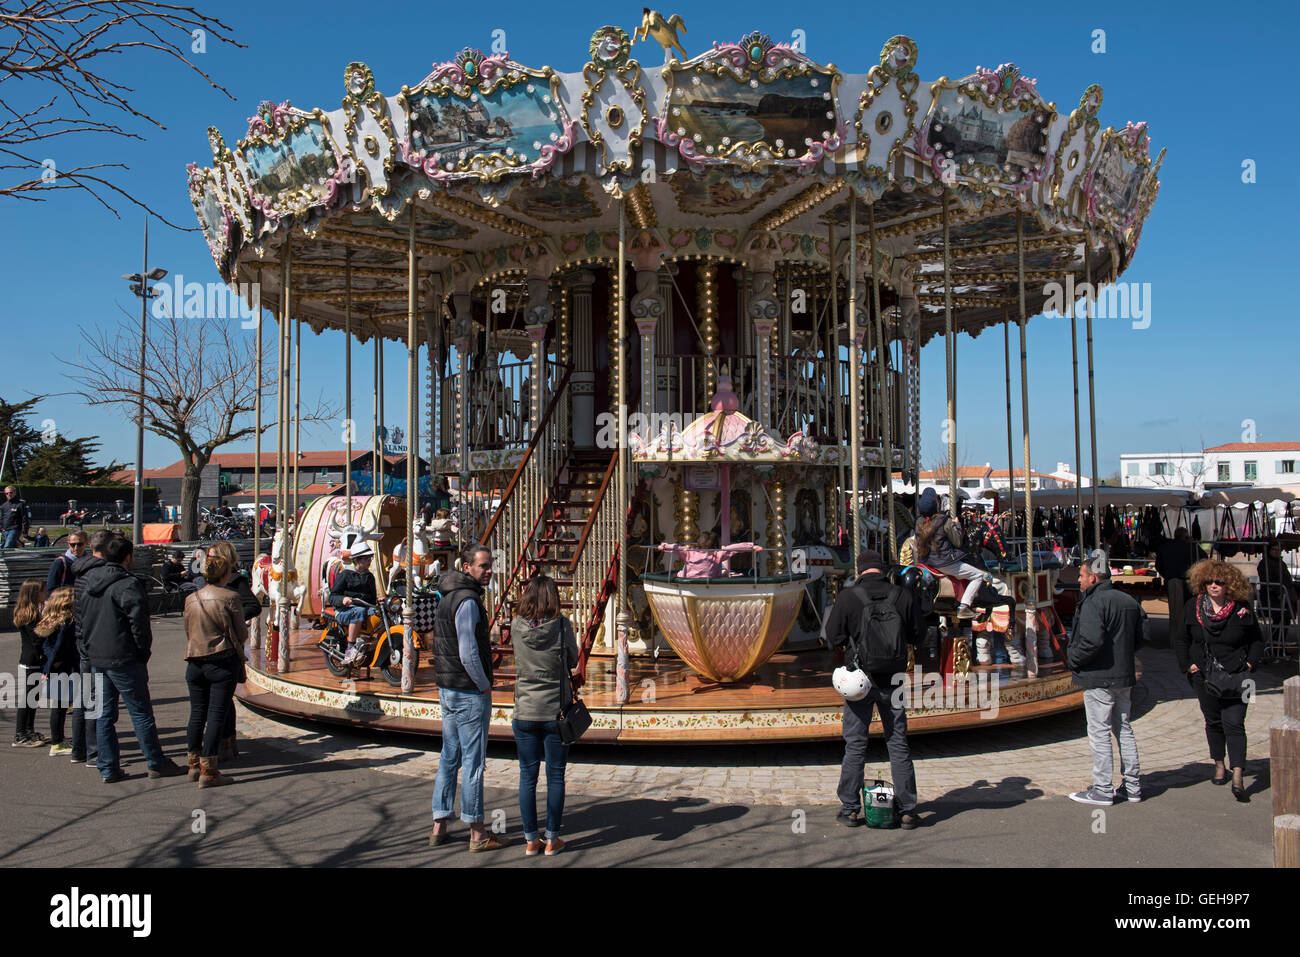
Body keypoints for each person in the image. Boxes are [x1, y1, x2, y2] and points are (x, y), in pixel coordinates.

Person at [825, 549, 923, 830]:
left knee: (856, 743)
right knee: (898, 742)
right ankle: (907, 810)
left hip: (861, 680)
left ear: (860, 569)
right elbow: (918, 633)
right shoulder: (902, 596)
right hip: (894, 678)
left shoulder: (848, 597)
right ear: (882, 569)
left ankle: (850, 808)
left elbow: (834, 636)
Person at [78, 534, 184, 782]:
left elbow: (83, 619)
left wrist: (88, 649)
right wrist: (141, 652)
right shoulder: (127, 584)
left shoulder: (90, 580)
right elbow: (139, 624)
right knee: (140, 712)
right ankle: (155, 760)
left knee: (105, 714)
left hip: (98, 656)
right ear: (127, 558)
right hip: (123, 657)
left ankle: (107, 766)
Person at [429, 544, 501, 852]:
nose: (488, 571)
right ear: (467, 567)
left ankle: (439, 822)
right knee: (472, 761)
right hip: (468, 690)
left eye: (489, 565)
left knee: (450, 756)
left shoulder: (447, 596)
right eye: (483, 566)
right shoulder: (469, 601)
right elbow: (469, 651)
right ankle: (476, 831)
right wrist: (484, 684)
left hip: (448, 687)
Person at [1174, 558, 1264, 801]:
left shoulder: (1241, 607)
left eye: (1220, 582)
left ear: (1229, 585)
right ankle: (1219, 765)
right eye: (1209, 582)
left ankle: (1237, 776)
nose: (1214, 586)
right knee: (1213, 721)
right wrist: (1188, 666)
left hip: (1239, 677)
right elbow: (1181, 639)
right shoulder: (1193, 606)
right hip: (1204, 676)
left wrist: (1249, 664)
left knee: (1235, 723)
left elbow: (1257, 640)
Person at [509, 575, 579, 856]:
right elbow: (573, 660)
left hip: (525, 709)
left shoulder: (516, 626)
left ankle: (529, 839)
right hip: (554, 712)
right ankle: (552, 838)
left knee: (527, 776)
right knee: (556, 776)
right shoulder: (562, 626)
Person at [1065, 554, 1143, 806]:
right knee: (1123, 728)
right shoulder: (1127, 601)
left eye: (1081, 576)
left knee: (1099, 731)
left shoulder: (1094, 603)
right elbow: (1142, 634)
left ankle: (1103, 788)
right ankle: (1132, 785)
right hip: (1122, 673)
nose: (1078, 580)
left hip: (1099, 675)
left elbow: (1090, 641)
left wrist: (1072, 659)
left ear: (1093, 577)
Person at [182, 552, 248, 787]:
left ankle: (192, 763)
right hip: (221, 659)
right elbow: (241, 634)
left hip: (194, 660)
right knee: (216, 714)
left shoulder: (191, 598)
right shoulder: (230, 597)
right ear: (225, 574)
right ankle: (208, 770)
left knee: (197, 713)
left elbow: (188, 629)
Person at [207, 541, 260, 760]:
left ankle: (225, 741)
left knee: (221, 697)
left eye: (212, 557)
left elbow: (253, 606)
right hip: (208, 644)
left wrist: (232, 620)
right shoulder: (205, 582)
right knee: (213, 698)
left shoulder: (236, 582)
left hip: (226, 645)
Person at [69, 529, 113, 767]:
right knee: (95, 698)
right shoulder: (98, 574)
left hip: (82, 637)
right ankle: (94, 752)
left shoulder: (80, 572)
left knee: (84, 696)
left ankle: (80, 750)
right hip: (94, 640)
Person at [913, 488, 982, 619]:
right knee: (978, 576)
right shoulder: (944, 521)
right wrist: (956, 525)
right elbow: (957, 542)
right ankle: (964, 606)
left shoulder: (918, 523)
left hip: (926, 562)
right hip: (944, 562)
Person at [35, 586, 78, 756]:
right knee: (64, 705)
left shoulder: (49, 619)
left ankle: (58, 740)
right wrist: (54, 664)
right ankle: (58, 743)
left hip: (54, 667)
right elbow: (61, 646)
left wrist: (48, 666)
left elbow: (47, 646)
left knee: (59, 706)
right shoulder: (68, 621)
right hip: (65, 667)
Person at [328, 540, 378, 664]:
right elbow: (332, 596)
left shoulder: (369, 577)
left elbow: (372, 600)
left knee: (380, 613)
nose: (369, 561)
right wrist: (343, 599)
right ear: (357, 560)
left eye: (370, 558)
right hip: (344, 611)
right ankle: (350, 647)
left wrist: (379, 602)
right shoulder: (345, 574)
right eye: (366, 558)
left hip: (364, 609)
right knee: (359, 611)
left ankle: (366, 640)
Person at [12, 580, 47, 748]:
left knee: (32, 698)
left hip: (31, 661)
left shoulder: (31, 612)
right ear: (34, 593)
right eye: (42, 591)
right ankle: (20, 734)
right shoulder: (30, 615)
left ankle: (28, 729)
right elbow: (36, 640)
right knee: (28, 699)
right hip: (32, 661)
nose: (45, 594)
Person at [657, 530, 762, 578]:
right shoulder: (717, 554)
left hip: (690, 579)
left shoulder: (690, 553)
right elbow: (734, 548)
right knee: (724, 573)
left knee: (677, 574)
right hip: (709, 580)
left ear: (698, 543)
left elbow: (676, 547)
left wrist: (664, 546)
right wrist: (752, 547)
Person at [1155, 527, 1198, 639]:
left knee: (1175, 613)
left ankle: (1175, 638)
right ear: (1185, 536)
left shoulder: (1165, 546)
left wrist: (1167, 575)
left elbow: (1158, 566)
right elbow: (1202, 557)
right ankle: (1187, 636)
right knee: (1189, 611)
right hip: (1187, 581)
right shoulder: (1190, 546)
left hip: (1172, 580)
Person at [1257, 539, 1295, 624]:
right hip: (1272, 597)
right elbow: (1266, 580)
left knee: (1285, 620)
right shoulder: (1265, 563)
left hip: (1284, 595)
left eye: (1279, 550)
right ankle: (1275, 637)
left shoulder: (1282, 563)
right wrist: (1279, 592)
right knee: (1280, 619)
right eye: (1274, 549)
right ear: (1269, 550)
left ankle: (1280, 637)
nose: (1277, 552)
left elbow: (1287, 579)